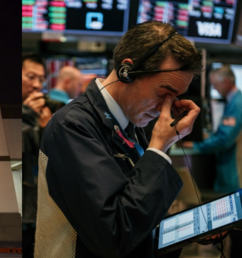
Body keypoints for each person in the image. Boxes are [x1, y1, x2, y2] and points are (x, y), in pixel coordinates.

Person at [34, 21, 203, 258]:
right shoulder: (72, 125)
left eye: (174, 97)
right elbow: (114, 234)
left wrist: (187, 229)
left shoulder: (131, 124)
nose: (166, 108)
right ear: (127, 73)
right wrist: (158, 147)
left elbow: (139, 212)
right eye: (163, 93)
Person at [183, 66, 242, 194]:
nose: (214, 88)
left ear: (225, 82)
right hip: (234, 165)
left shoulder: (237, 104)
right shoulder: (236, 100)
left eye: (215, 84)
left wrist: (196, 145)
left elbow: (224, 140)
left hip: (234, 168)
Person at [22, 53, 64, 258]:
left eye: (41, 79)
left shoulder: (44, 114)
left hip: (40, 209)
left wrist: (47, 130)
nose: (37, 85)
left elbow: (49, 160)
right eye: (31, 77)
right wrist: (27, 115)